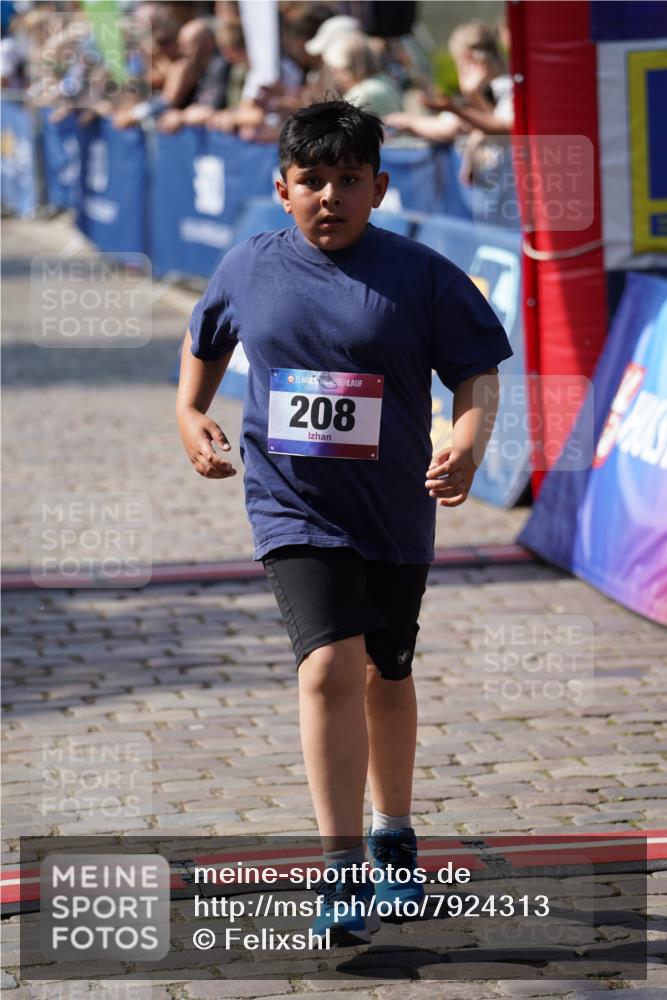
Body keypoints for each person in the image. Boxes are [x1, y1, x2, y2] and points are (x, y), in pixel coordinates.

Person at [176, 100, 512, 945]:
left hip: (394, 506)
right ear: (283, 186)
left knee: (386, 671)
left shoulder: (421, 273)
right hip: (291, 505)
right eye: (313, 181)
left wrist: (468, 439)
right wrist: (190, 413)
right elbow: (205, 337)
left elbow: (475, 371)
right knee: (329, 664)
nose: (330, 195)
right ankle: (341, 868)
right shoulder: (249, 265)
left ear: (380, 188)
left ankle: (393, 837)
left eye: (349, 180)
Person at [322, 31, 403, 118]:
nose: (334, 77)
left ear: (346, 69)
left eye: (335, 70)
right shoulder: (382, 80)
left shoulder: (363, 93)